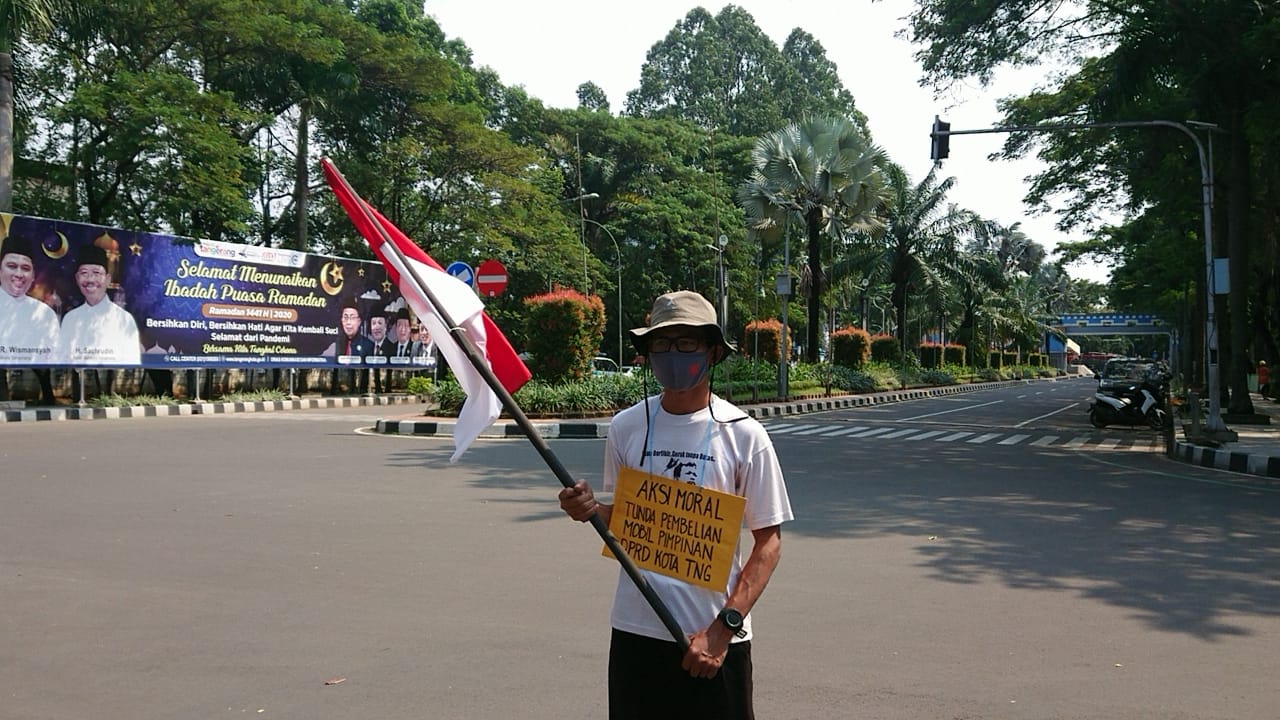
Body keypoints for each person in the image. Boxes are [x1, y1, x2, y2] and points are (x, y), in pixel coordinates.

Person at [558, 290, 793, 720]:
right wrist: (590, 510)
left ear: (713, 352)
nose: (672, 355)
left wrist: (723, 631)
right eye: (661, 345)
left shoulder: (745, 436)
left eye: (686, 343)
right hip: (636, 633)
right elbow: (633, 525)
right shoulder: (627, 427)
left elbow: (769, 543)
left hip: (713, 642)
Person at [55, 244, 141, 366]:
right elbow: (63, 358)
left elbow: (131, 361)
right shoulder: (70, 318)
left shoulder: (124, 319)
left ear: (108, 279)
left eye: (96, 273)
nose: (90, 279)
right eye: (84, 273)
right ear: (77, 278)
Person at [0, 234, 60, 366]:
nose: (19, 274)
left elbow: (53, 354)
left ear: (33, 276)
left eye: (26, 268)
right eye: (11, 266)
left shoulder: (45, 314)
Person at [330, 300, 373, 394]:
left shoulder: (368, 344)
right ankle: (335, 390)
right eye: (345, 317)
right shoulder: (336, 343)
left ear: (359, 321)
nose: (348, 322)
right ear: (341, 320)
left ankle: (361, 390)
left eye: (352, 318)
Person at [367, 310, 392, 393]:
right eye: (373, 323)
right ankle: (377, 388)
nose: (377, 327)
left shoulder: (391, 346)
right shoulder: (368, 347)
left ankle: (388, 388)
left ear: (385, 327)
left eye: (380, 323)